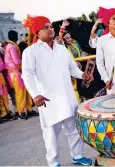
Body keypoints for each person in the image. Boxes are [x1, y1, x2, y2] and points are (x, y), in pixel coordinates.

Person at [22, 15, 93, 166]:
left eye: (50, 26)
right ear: (37, 33)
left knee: (74, 129)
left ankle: (78, 155)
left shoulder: (61, 49)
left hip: (67, 96)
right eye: (45, 27)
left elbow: (72, 68)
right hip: (47, 100)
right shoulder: (30, 51)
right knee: (51, 134)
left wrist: (83, 75)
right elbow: (27, 75)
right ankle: (53, 162)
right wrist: (35, 95)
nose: (50, 29)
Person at [4, 30, 36, 119]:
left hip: (17, 73)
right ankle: (20, 112)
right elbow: (17, 61)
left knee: (25, 91)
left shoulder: (10, 46)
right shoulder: (12, 47)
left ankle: (29, 109)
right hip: (16, 73)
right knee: (20, 93)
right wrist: (26, 62)